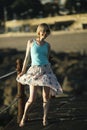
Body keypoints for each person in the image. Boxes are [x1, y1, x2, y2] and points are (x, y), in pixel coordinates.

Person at [16, 23, 63, 127]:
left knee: (46, 97)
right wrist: (23, 71)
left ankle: (45, 119)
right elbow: (27, 58)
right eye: (44, 31)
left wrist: (48, 68)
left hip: (46, 71)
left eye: (47, 31)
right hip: (34, 71)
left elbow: (46, 58)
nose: (46, 33)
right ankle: (24, 116)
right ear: (39, 31)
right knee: (32, 99)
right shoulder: (31, 42)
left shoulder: (48, 45)